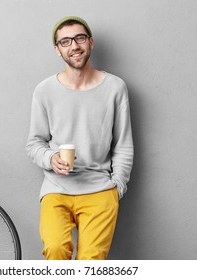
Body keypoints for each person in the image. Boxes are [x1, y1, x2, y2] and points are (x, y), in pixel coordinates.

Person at [25, 16, 134, 260]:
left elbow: (123, 144)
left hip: (100, 190)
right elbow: (34, 143)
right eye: (65, 42)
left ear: (90, 42)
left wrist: (118, 186)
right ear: (57, 49)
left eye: (79, 38)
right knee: (55, 250)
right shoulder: (44, 90)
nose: (74, 46)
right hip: (56, 189)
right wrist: (51, 158)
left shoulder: (115, 88)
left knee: (91, 263)